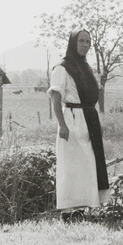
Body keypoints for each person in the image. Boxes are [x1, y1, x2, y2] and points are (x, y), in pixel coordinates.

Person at [47, 29, 111, 221]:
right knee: (71, 165)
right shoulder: (62, 68)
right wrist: (62, 125)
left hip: (88, 118)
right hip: (72, 119)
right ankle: (68, 211)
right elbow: (55, 97)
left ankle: (82, 209)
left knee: (88, 164)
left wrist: (96, 121)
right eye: (81, 41)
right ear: (73, 43)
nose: (85, 45)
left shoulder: (85, 67)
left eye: (88, 42)